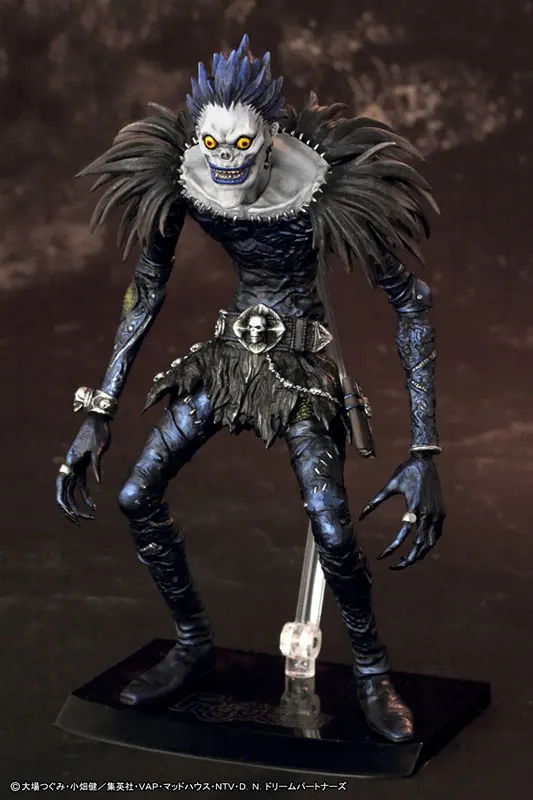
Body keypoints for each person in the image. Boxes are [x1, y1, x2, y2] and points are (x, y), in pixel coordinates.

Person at [56, 35, 445, 743]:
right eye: (211, 143)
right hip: (228, 359)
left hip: (301, 370)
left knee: (332, 529)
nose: (225, 159)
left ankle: (370, 672)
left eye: (241, 143)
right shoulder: (182, 178)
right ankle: (192, 643)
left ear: (270, 141)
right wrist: (99, 409)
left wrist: (425, 450)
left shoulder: (326, 189)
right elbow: (146, 286)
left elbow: (410, 302)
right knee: (136, 496)